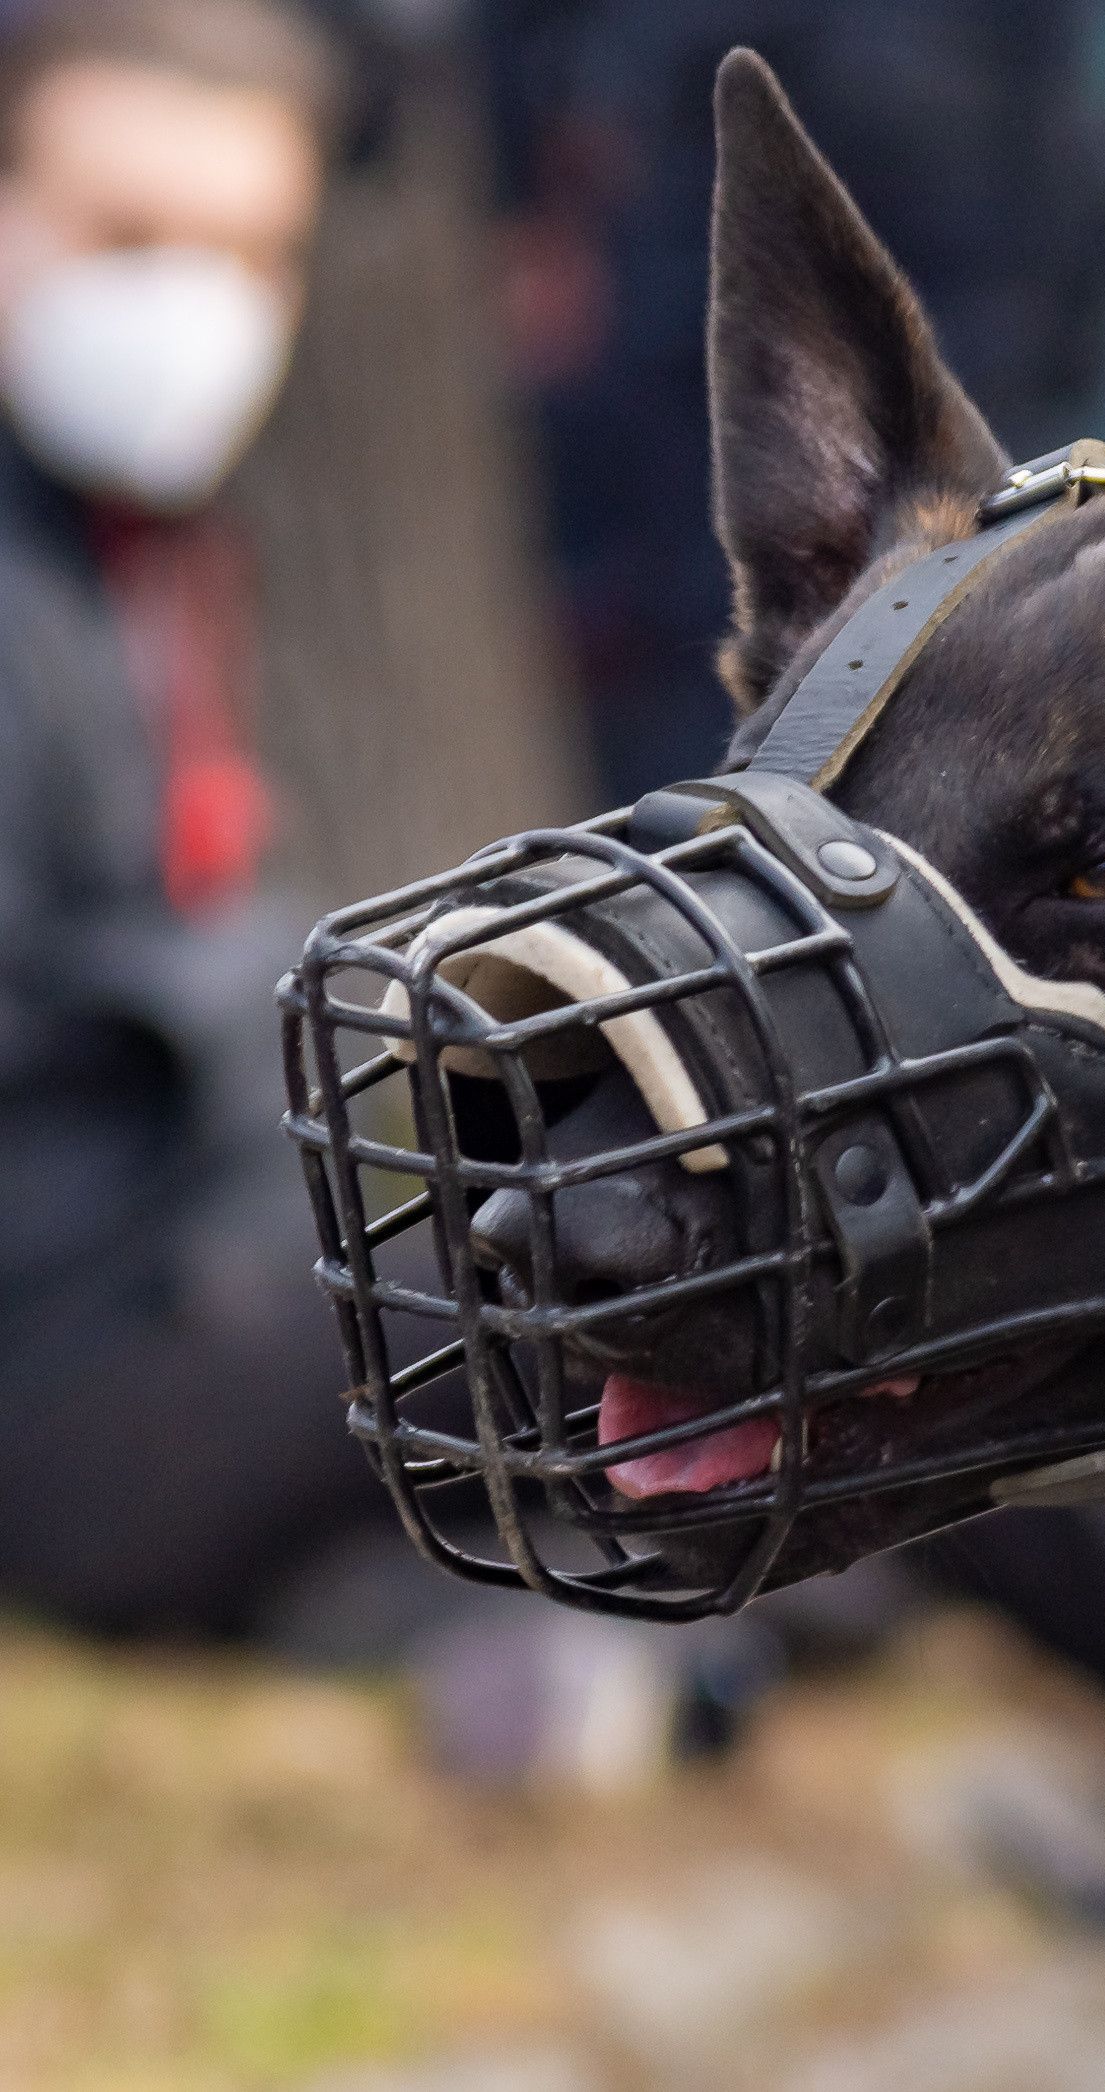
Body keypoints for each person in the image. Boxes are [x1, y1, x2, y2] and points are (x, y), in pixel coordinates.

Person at [0, 0, 386, 1630]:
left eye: (248, 255)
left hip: (170, 1295)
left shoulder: (132, 553)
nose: (190, 309)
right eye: (127, 234)